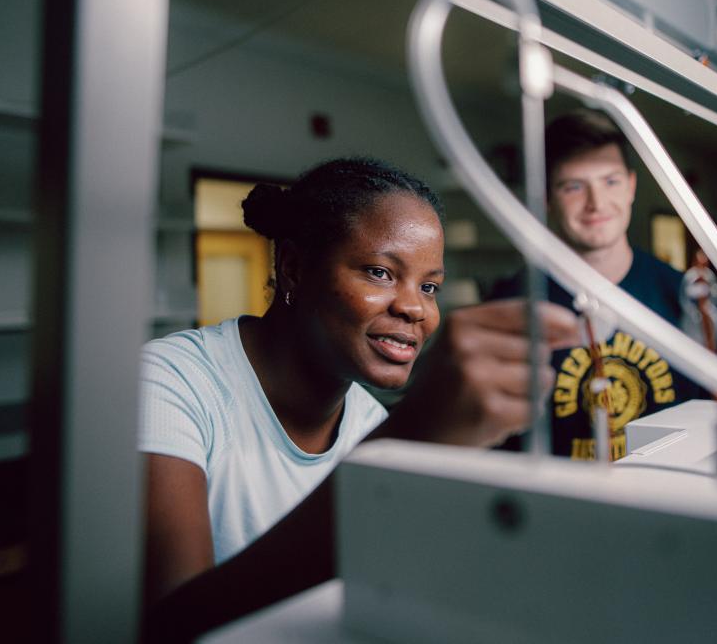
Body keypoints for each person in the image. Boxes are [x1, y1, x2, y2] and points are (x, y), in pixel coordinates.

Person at [139, 157, 578, 641]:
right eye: (380, 272)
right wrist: (411, 443)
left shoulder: (368, 420)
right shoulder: (171, 382)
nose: (416, 308)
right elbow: (170, 625)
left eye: (429, 286)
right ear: (294, 268)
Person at [488, 109, 717, 461]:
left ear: (631, 186)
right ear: (547, 198)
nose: (596, 203)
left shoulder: (684, 296)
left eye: (610, 181)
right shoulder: (513, 304)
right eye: (574, 186)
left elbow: (712, 418)